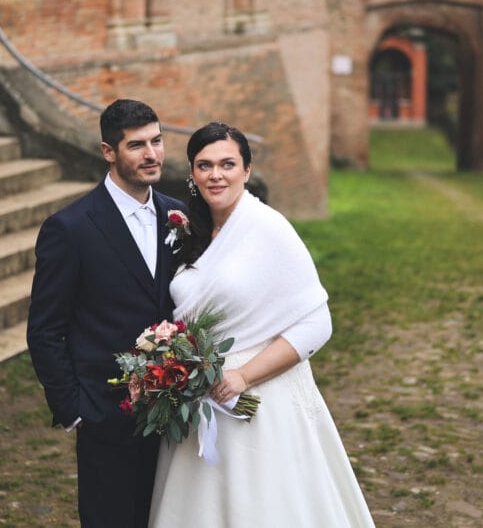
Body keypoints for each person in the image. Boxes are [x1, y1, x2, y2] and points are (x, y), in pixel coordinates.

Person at [149, 122, 375, 527]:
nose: (215, 175)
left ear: (247, 170)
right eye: (204, 165)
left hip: (255, 397)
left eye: (227, 164)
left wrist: (241, 378)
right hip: (197, 396)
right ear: (193, 173)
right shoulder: (189, 231)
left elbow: (317, 322)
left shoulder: (270, 229)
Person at [27, 99, 187, 528]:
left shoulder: (181, 216)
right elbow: (45, 329)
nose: (152, 154)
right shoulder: (71, 228)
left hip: (178, 415)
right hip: (107, 416)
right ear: (108, 151)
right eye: (136, 145)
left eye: (157, 141)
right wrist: (75, 409)